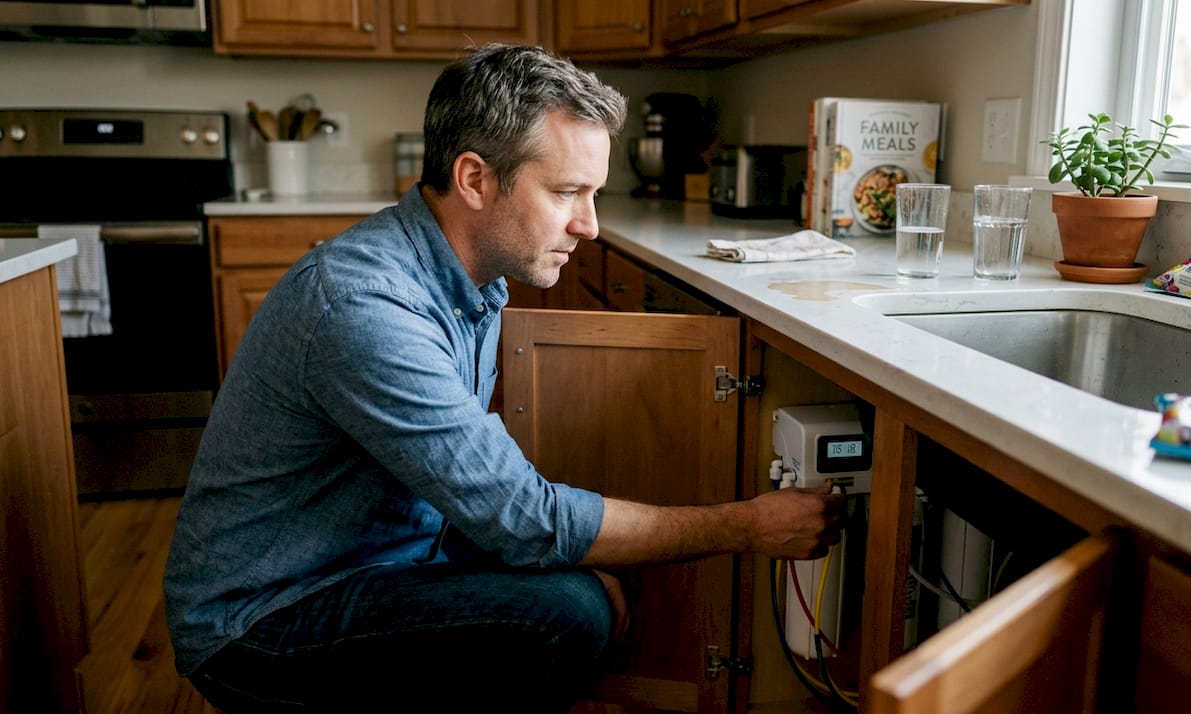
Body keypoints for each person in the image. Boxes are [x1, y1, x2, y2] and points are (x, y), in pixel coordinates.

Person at [164, 43, 848, 713]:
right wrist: (746, 526)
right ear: (475, 180)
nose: (589, 225)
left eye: (593, 194)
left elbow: (490, 501)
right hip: (261, 620)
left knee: (601, 570)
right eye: (567, 192)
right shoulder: (364, 306)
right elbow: (523, 518)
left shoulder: (468, 278)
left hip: (387, 556)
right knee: (566, 613)